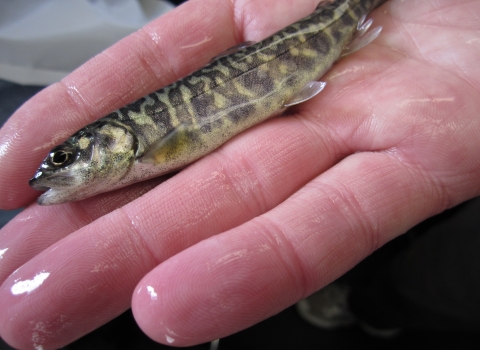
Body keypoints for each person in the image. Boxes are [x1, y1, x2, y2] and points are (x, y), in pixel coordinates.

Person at [0, 0, 479, 349]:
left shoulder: (153, 149)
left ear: (114, 142)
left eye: (63, 160)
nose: (53, 175)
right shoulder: (139, 151)